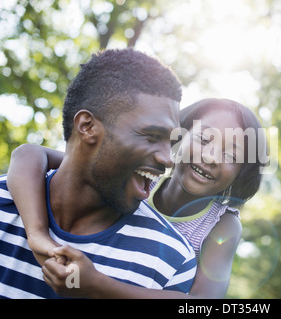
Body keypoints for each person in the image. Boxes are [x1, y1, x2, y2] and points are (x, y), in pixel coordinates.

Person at [7, 98, 267, 298]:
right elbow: (29, 154)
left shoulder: (223, 225)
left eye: (231, 156)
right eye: (203, 139)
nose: (210, 157)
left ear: (242, 175)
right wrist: (38, 233)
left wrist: (97, 285)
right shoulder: (138, 176)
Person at [0, 48, 197, 299]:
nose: (168, 159)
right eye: (151, 136)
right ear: (87, 126)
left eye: (170, 142)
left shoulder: (171, 259)